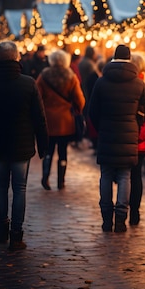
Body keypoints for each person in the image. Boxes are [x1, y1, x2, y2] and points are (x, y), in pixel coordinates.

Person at [0, 40, 48, 250]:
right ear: (16, 57)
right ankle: (16, 234)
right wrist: (43, 145)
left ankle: (2, 228)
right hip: (21, 147)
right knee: (20, 189)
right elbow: (39, 117)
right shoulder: (28, 83)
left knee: (1, 187)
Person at [88, 45, 145, 233]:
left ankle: (107, 218)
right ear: (130, 58)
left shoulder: (101, 82)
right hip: (129, 134)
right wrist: (136, 124)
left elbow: (92, 111)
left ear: (113, 58)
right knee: (125, 175)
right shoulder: (139, 84)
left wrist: (101, 127)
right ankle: (121, 219)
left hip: (106, 134)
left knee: (106, 175)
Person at [36, 49, 85, 190]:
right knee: (63, 152)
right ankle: (61, 181)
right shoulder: (71, 76)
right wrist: (77, 109)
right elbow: (80, 100)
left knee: (48, 150)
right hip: (65, 122)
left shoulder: (44, 75)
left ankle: (45, 176)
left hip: (48, 121)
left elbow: (37, 96)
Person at [129, 53, 145, 225]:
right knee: (137, 176)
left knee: (124, 175)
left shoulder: (133, 83)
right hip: (141, 135)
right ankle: (134, 212)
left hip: (129, 134)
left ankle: (123, 209)